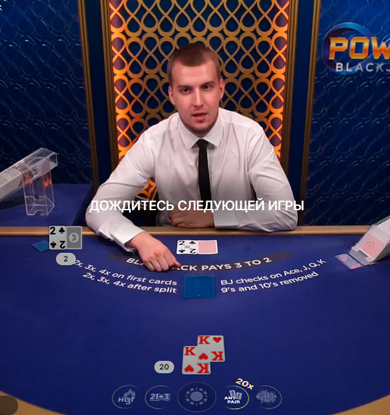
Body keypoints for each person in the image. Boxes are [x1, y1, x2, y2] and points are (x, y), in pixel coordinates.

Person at [86, 42, 297, 272]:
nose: (198, 102)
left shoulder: (250, 134)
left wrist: (214, 216)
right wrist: (139, 238)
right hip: (170, 250)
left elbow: (285, 212)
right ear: (172, 95)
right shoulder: (153, 140)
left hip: (240, 244)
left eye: (206, 87)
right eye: (186, 90)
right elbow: (98, 208)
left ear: (221, 89)